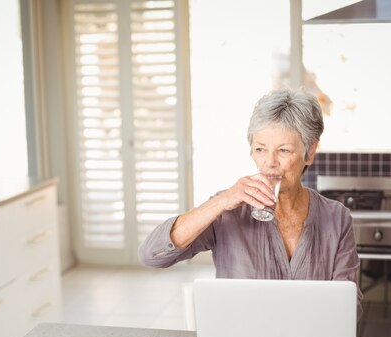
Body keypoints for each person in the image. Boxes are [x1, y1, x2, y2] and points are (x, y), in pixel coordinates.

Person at [138, 89, 362, 316]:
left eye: (284, 150)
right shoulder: (228, 211)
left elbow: (350, 306)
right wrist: (221, 201)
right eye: (260, 149)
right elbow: (152, 256)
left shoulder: (336, 217)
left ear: (310, 152)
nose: (269, 163)